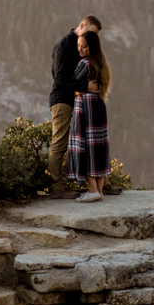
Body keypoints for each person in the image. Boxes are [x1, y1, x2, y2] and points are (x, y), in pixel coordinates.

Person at [47, 15, 100, 192]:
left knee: (91, 141)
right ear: (82, 26)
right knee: (59, 143)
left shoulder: (81, 47)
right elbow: (60, 78)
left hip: (79, 102)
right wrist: (86, 86)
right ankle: (57, 187)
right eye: (91, 33)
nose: (91, 39)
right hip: (62, 100)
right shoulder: (65, 45)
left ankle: (100, 185)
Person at [67, 29, 112, 201]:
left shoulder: (84, 64)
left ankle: (92, 190)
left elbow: (71, 83)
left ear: (91, 47)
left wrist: (80, 88)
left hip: (84, 107)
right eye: (79, 46)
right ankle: (99, 191)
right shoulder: (102, 64)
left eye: (83, 47)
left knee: (83, 145)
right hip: (98, 106)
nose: (80, 50)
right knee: (98, 146)